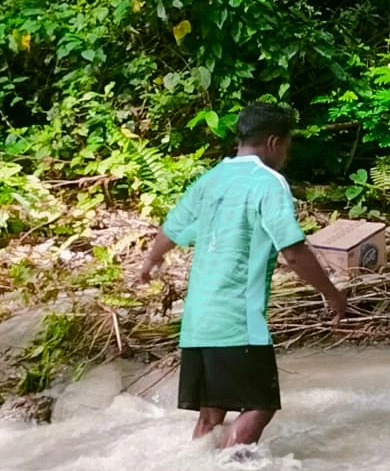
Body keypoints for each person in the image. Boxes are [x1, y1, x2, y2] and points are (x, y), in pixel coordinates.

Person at [134, 102, 347, 448]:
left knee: (210, 414)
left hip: (197, 322)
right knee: (260, 405)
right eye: (288, 147)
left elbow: (171, 230)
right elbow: (293, 252)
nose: (286, 156)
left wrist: (150, 263)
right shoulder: (269, 182)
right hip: (237, 322)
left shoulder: (210, 179)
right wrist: (332, 293)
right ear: (275, 142)